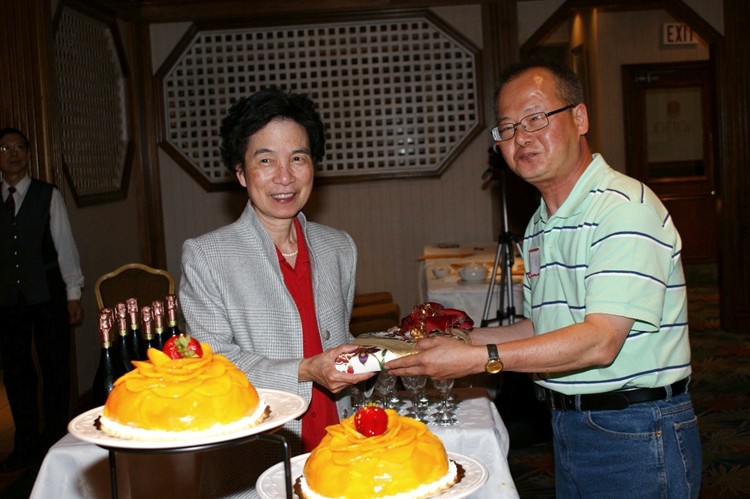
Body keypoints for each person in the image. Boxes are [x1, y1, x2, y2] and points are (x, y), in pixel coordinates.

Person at [387, 60, 702, 498]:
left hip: (636, 429)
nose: (521, 138)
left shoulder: (622, 209)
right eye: (508, 128)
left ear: (580, 118)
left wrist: (479, 359)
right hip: (570, 424)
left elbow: (600, 341)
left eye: (536, 118)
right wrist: (457, 341)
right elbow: (543, 327)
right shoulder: (540, 223)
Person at [179, 88, 373, 497]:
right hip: (257, 454)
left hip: (340, 448)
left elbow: (335, 337)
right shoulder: (207, 255)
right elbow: (213, 366)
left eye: (298, 158)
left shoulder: (339, 247)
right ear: (240, 172)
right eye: (265, 160)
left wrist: (379, 357)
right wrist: (305, 370)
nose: (285, 177)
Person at [0, 127, 84, 471]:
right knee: (16, 371)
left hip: (47, 293)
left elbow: (65, 246)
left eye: (19, 147)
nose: (13, 154)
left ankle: (55, 440)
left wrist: (73, 292)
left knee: (55, 368)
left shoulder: (48, 195)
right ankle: (25, 444)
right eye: (5, 148)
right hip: (7, 298)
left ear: (28, 153)